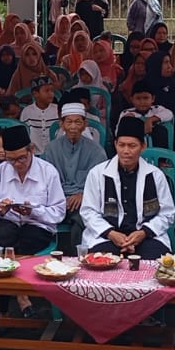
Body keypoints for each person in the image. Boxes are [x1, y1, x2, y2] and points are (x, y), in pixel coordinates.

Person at [82, 115, 175, 259]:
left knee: (158, 265)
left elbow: (167, 213)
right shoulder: (97, 173)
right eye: (121, 145)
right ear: (115, 144)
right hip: (107, 236)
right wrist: (112, 234)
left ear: (143, 147)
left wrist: (143, 232)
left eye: (132, 146)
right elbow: (88, 212)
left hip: (146, 236)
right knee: (100, 263)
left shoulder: (155, 175)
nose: (126, 151)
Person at [0, 125, 66, 255]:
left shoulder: (48, 172)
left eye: (21, 158)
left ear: (31, 150)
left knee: (29, 239)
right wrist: (0, 211)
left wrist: (34, 211)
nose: (17, 164)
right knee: (5, 235)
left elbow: (58, 212)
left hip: (38, 225)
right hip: (8, 223)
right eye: (11, 160)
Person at [43, 102, 109, 253]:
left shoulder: (96, 151)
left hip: (84, 200)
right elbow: (45, 180)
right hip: (56, 199)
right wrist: (59, 198)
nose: (73, 126)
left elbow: (102, 182)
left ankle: (76, 258)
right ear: (62, 124)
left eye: (78, 122)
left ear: (85, 124)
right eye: (69, 122)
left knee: (82, 217)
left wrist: (83, 195)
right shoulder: (51, 149)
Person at [19, 77, 60, 152]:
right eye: (47, 91)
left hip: (55, 152)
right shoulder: (27, 111)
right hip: (34, 153)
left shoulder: (57, 110)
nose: (51, 94)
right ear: (36, 94)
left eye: (52, 91)